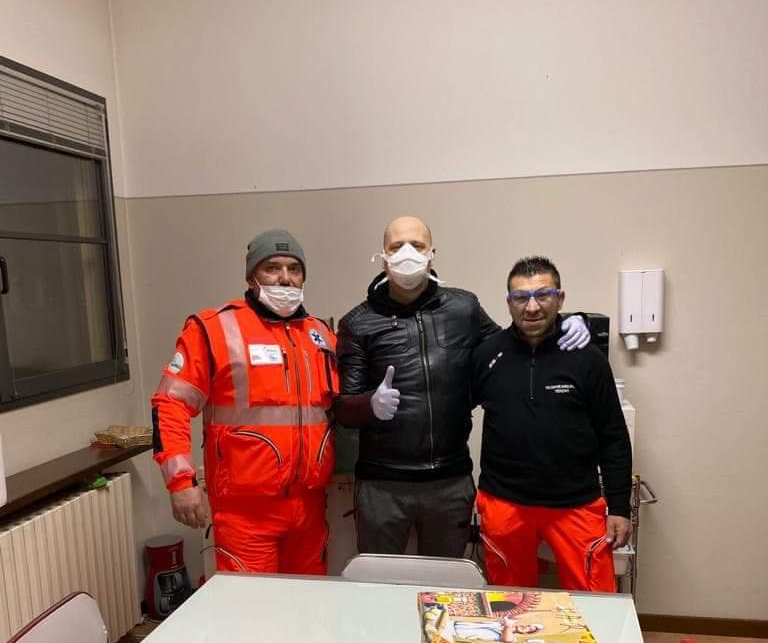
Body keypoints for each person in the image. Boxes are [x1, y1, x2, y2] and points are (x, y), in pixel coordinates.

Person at [333, 216, 590, 557]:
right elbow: (344, 409)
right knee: (378, 580)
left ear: (431, 254)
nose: (407, 253)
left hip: (450, 481)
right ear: (384, 257)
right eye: (397, 246)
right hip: (383, 485)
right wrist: (370, 405)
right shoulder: (358, 322)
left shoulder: (462, 308)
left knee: (445, 582)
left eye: (417, 245)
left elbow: (511, 346)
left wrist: (567, 321)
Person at [151, 229, 338, 575]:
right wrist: (180, 483)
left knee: (309, 602)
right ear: (251, 276)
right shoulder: (213, 329)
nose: (285, 278)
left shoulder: (321, 336)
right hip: (245, 514)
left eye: (294, 269)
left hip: (309, 508)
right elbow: (169, 404)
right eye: (272, 267)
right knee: (250, 606)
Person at [472, 255, 632, 591]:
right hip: (504, 501)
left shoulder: (587, 357)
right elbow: (455, 411)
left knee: (596, 599)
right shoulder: (488, 354)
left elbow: (613, 435)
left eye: (543, 295)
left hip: (575, 503)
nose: (532, 307)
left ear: (560, 298)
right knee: (509, 603)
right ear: (509, 303)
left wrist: (619, 506)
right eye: (521, 297)